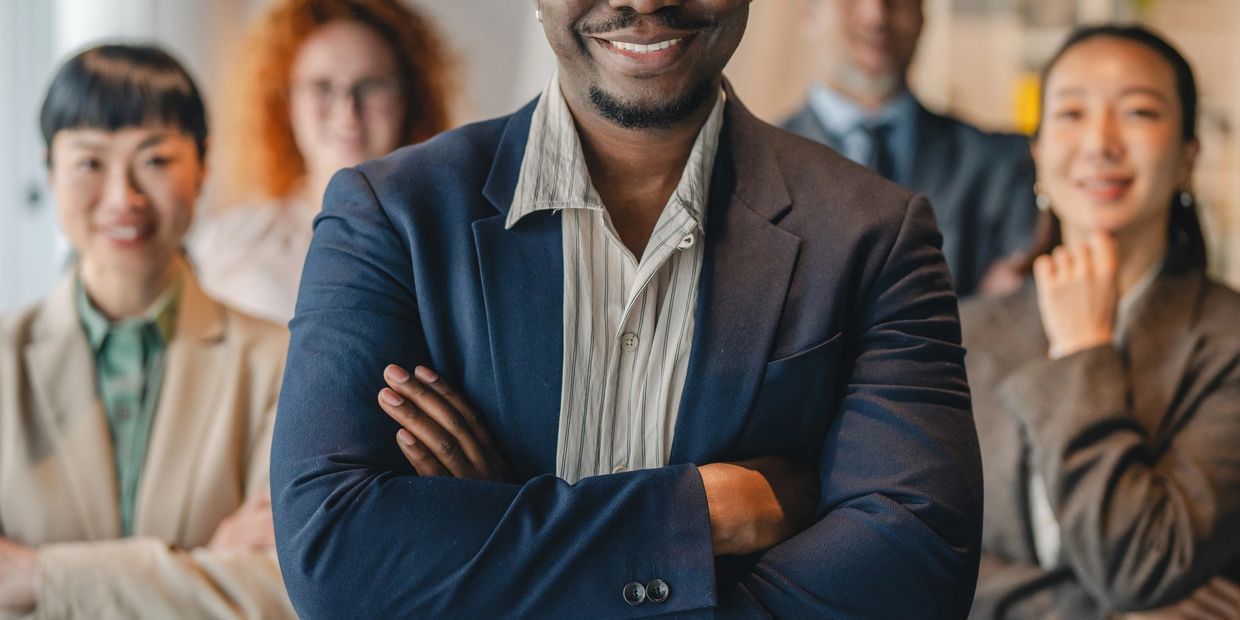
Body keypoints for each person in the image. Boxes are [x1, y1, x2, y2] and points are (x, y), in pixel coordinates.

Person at [271, 0, 982, 617]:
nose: (645, 3)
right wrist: (704, 516)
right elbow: (335, 559)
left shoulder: (875, 235)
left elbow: (916, 570)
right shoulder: (389, 216)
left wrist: (502, 545)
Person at [0, 44, 294, 619]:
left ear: (203, 163)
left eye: (155, 161)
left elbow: (282, 592)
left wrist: (39, 576)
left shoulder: (276, 361)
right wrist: (202, 565)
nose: (123, 198)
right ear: (49, 171)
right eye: (89, 163)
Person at [964, 25, 1240, 619]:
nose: (1100, 141)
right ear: (1038, 152)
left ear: (1189, 155)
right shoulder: (963, 334)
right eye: (1071, 113)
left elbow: (1145, 563)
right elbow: (926, 556)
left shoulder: (1230, 341)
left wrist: (1083, 352)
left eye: (1138, 111)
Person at [190, 0, 453, 324]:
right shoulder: (225, 243)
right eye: (321, 87)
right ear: (285, 103)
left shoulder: (449, 246)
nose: (347, 112)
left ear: (408, 99)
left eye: (370, 86)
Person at [781, 0, 1037, 297]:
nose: (876, 15)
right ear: (806, 10)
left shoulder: (1003, 163)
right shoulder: (750, 167)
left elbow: (1015, 317)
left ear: (923, 11)